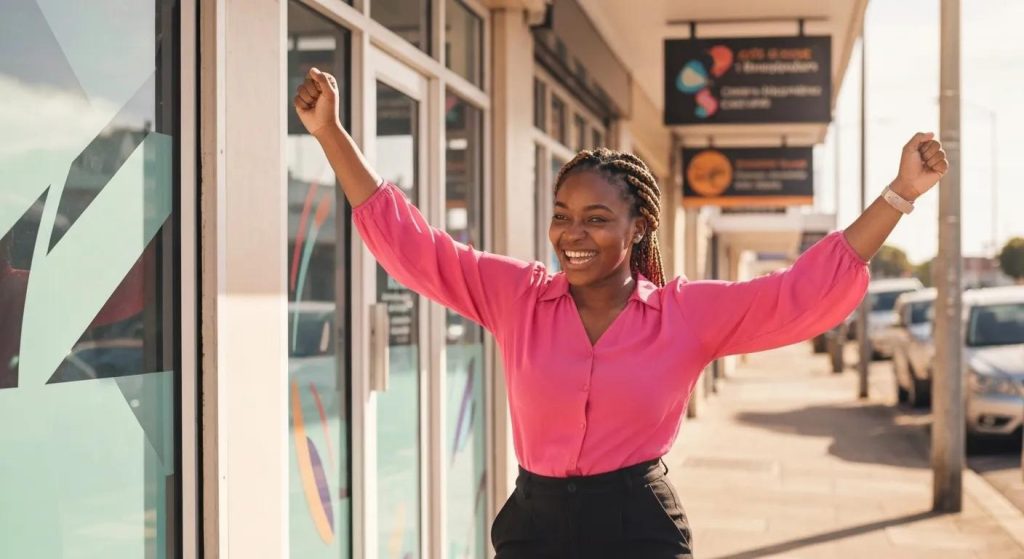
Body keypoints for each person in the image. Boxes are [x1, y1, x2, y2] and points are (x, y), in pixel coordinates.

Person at [293, 67, 948, 559]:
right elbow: (414, 245)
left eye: (597, 219)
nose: (573, 233)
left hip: (637, 526)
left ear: (638, 229)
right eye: (563, 216)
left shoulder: (685, 314)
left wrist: (898, 195)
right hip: (534, 527)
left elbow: (798, 293)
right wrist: (330, 134)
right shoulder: (516, 294)